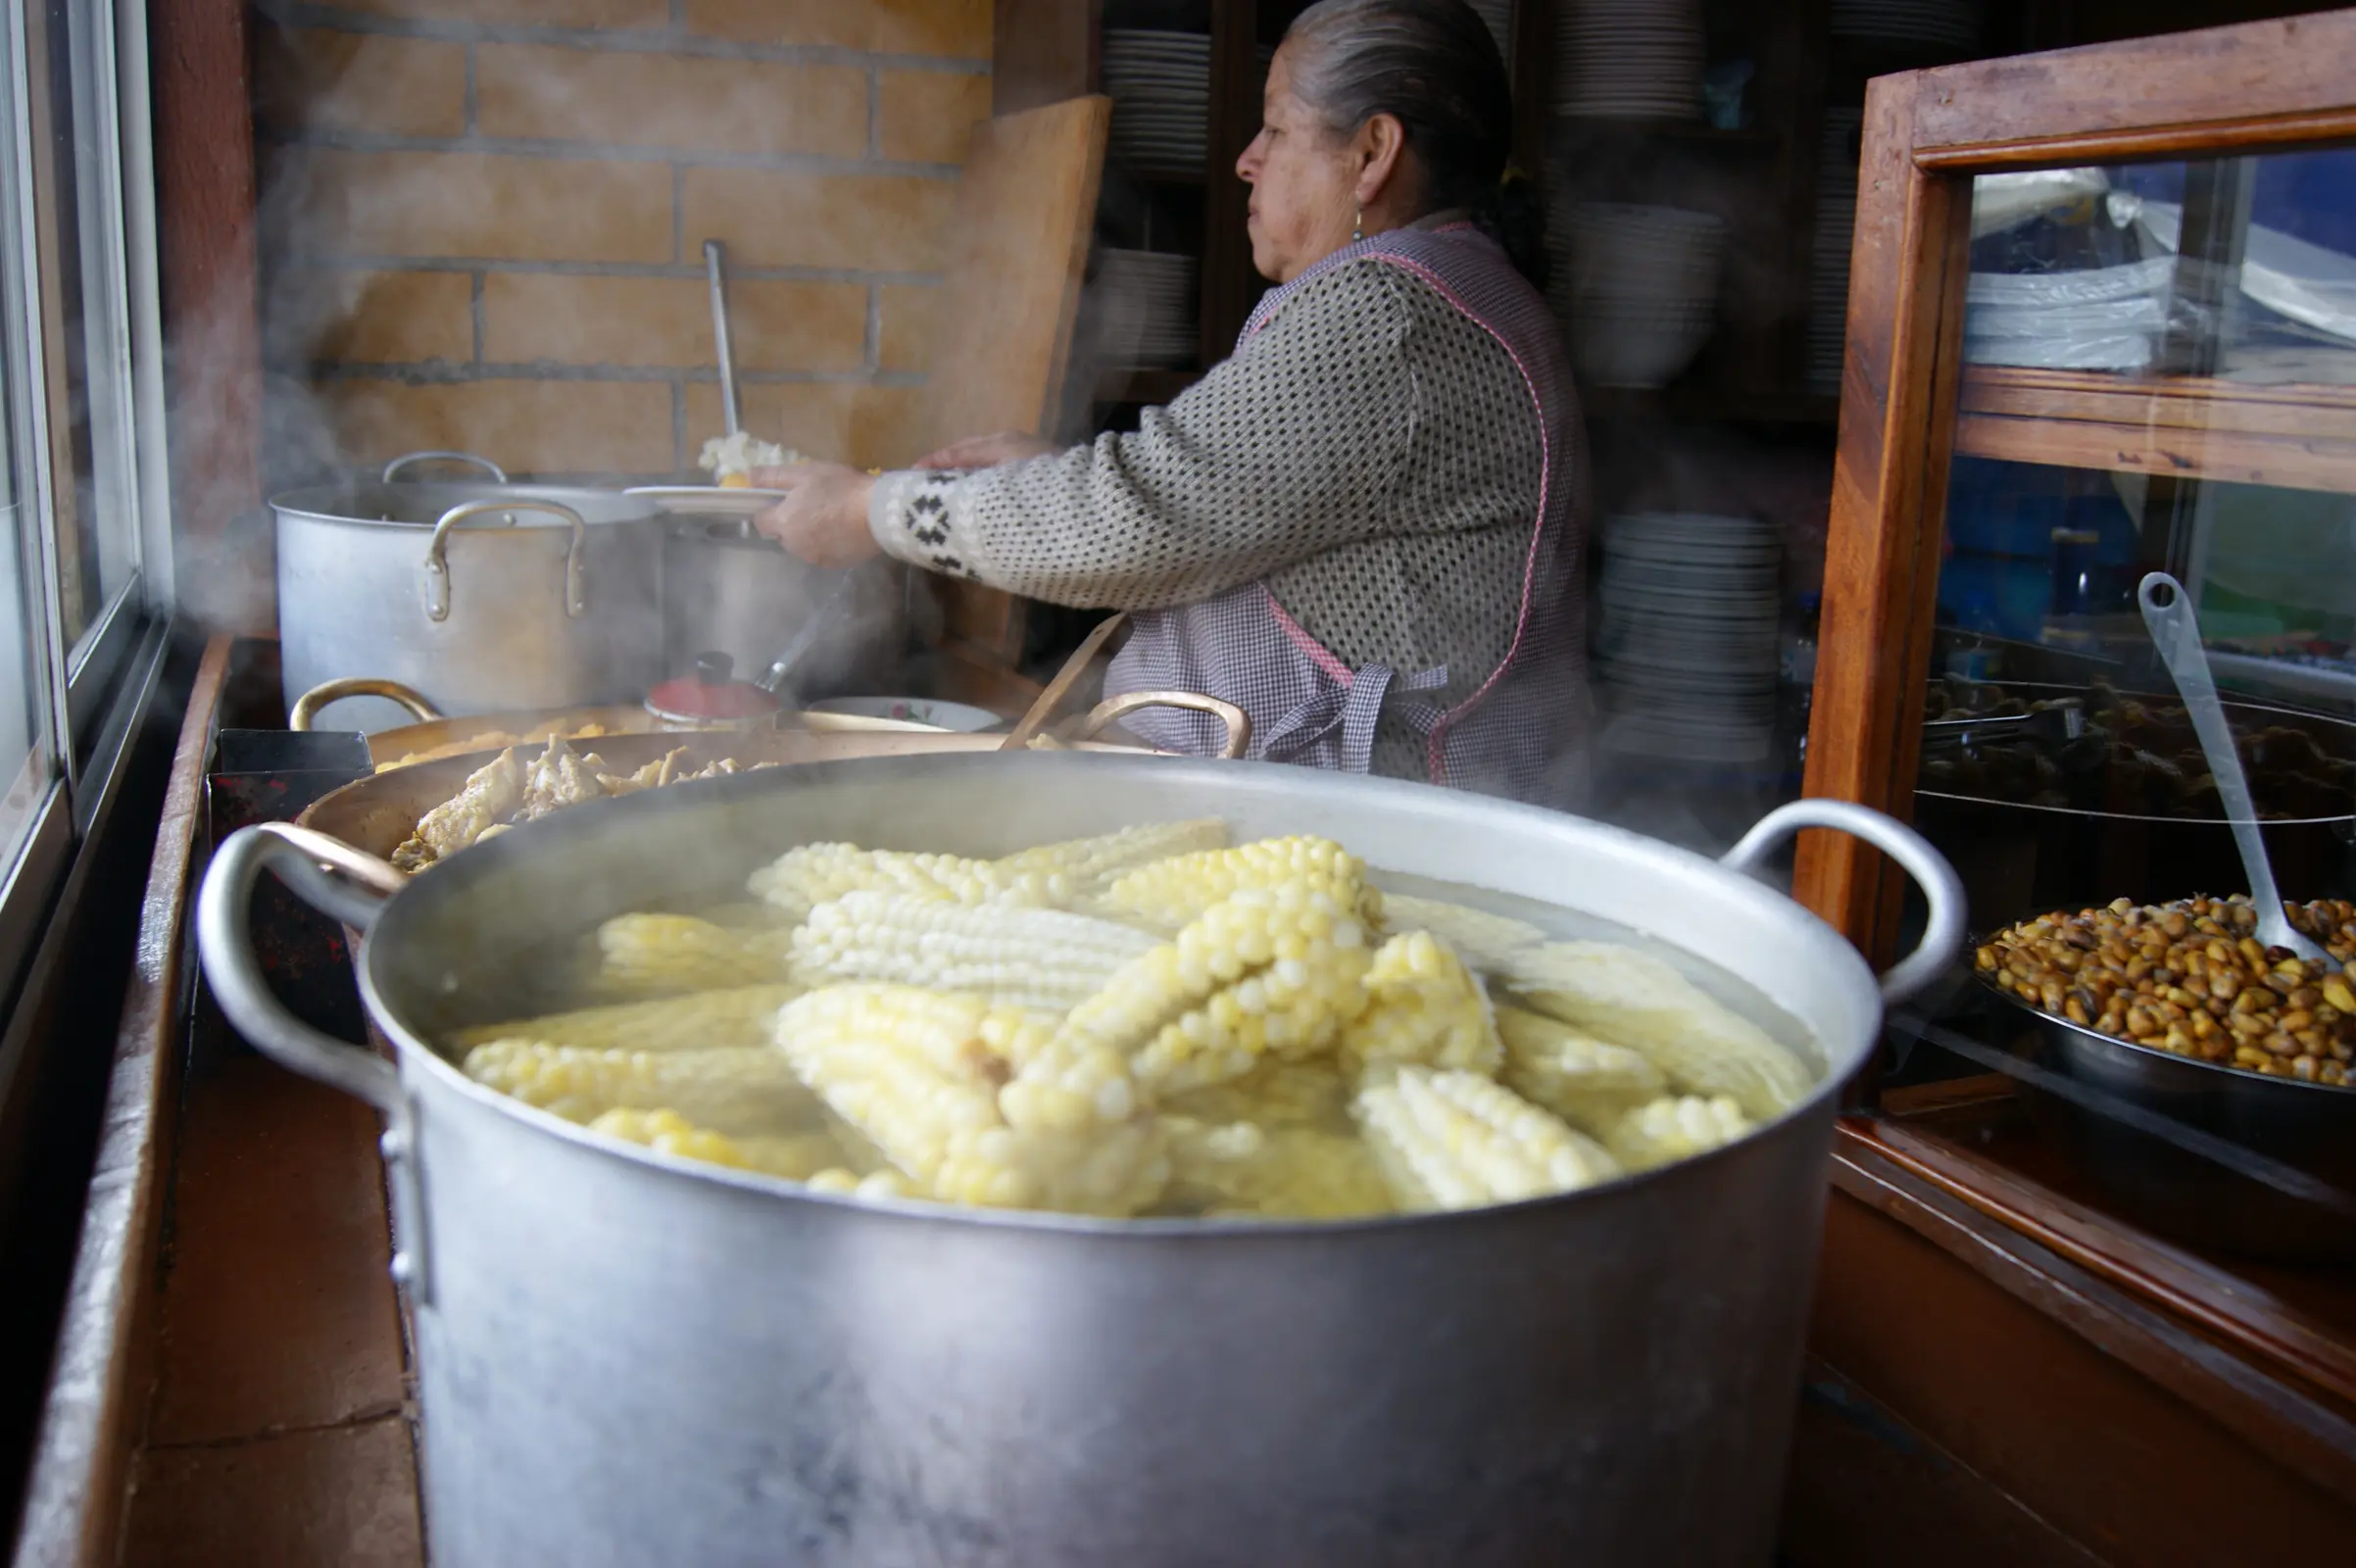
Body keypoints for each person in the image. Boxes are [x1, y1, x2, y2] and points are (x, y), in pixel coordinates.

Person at [755, 0, 1589, 802]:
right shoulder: (1456, 292)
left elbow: (1134, 523)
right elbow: (1212, 510)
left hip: (1359, 824)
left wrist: (870, 509)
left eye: (1276, 129)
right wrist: (1054, 477)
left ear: (1372, 153)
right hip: (1338, 806)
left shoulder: (1388, 316)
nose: (1247, 159)